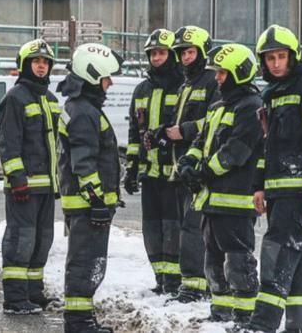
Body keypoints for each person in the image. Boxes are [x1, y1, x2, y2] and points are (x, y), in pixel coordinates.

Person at [241, 25, 302, 333]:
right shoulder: (270, 95)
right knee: (298, 262)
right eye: (270, 58)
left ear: (293, 57)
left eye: (281, 56)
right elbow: (266, 145)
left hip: (298, 192)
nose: (276, 63)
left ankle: (261, 325)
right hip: (277, 193)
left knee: (277, 255)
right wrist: (259, 186)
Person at [176, 43, 263, 325]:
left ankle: (244, 315)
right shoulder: (218, 107)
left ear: (239, 73)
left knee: (238, 262)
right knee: (213, 260)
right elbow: (200, 141)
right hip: (212, 200)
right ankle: (221, 310)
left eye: (223, 73)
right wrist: (188, 162)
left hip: (235, 202)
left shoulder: (252, 107)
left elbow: (235, 152)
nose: (217, 78)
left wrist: (202, 172)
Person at [57, 43, 123, 333]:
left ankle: (82, 319)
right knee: (85, 263)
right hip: (87, 206)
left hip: (83, 204)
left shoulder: (81, 107)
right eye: (106, 78)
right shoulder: (84, 112)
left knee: (84, 261)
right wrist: (97, 200)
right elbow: (84, 163)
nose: (109, 84)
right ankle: (79, 322)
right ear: (93, 76)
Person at [0, 39, 61, 315]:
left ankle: (34, 294)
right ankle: (14, 299)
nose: (41, 66)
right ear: (25, 65)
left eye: (45, 62)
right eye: (36, 61)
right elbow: (8, 144)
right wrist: (17, 179)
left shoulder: (51, 100)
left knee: (41, 241)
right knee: (20, 242)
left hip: (46, 187)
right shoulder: (15, 98)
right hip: (23, 188)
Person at [123, 29, 184, 295]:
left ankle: (174, 280)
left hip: (174, 175)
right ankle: (160, 278)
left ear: (172, 55)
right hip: (150, 174)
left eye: (161, 53)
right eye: (153, 54)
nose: (156, 58)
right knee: (151, 229)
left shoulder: (183, 87)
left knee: (173, 228)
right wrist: (131, 168)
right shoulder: (141, 90)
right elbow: (134, 134)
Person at [165, 26, 220, 304]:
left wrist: (184, 131)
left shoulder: (212, 81)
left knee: (192, 228)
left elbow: (214, 122)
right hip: (182, 167)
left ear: (201, 52)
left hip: (200, 168)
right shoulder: (185, 84)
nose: (185, 58)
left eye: (190, 52)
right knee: (186, 227)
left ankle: (195, 286)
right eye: (182, 53)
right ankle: (196, 283)